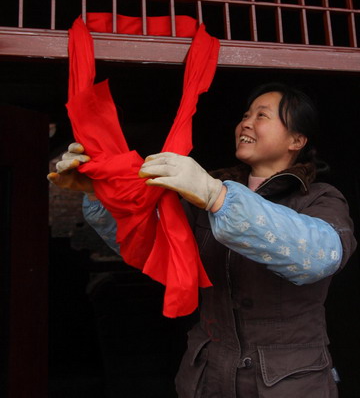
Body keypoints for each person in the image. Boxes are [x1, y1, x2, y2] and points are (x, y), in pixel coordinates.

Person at [48, 82, 356, 397]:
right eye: (245, 114)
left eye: (262, 116)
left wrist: (218, 197)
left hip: (289, 383)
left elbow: (321, 257)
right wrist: (100, 192)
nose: (246, 123)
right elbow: (151, 247)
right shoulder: (203, 196)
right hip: (209, 376)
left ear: (296, 140)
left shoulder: (320, 199)